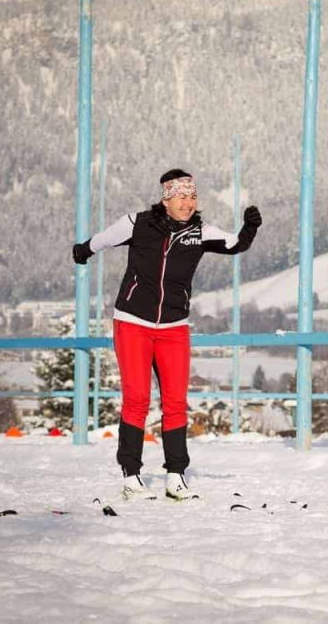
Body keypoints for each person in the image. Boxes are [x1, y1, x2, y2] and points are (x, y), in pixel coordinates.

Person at [73, 169, 262, 501]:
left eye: (193, 197)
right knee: (137, 399)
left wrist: (250, 226)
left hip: (174, 327)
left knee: (175, 402)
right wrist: (84, 250)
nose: (188, 203)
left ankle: (176, 475)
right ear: (167, 198)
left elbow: (235, 244)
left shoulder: (199, 232)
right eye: (182, 197)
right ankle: (131, 476)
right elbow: (103, 238)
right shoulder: (137, 223)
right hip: (132, 322)